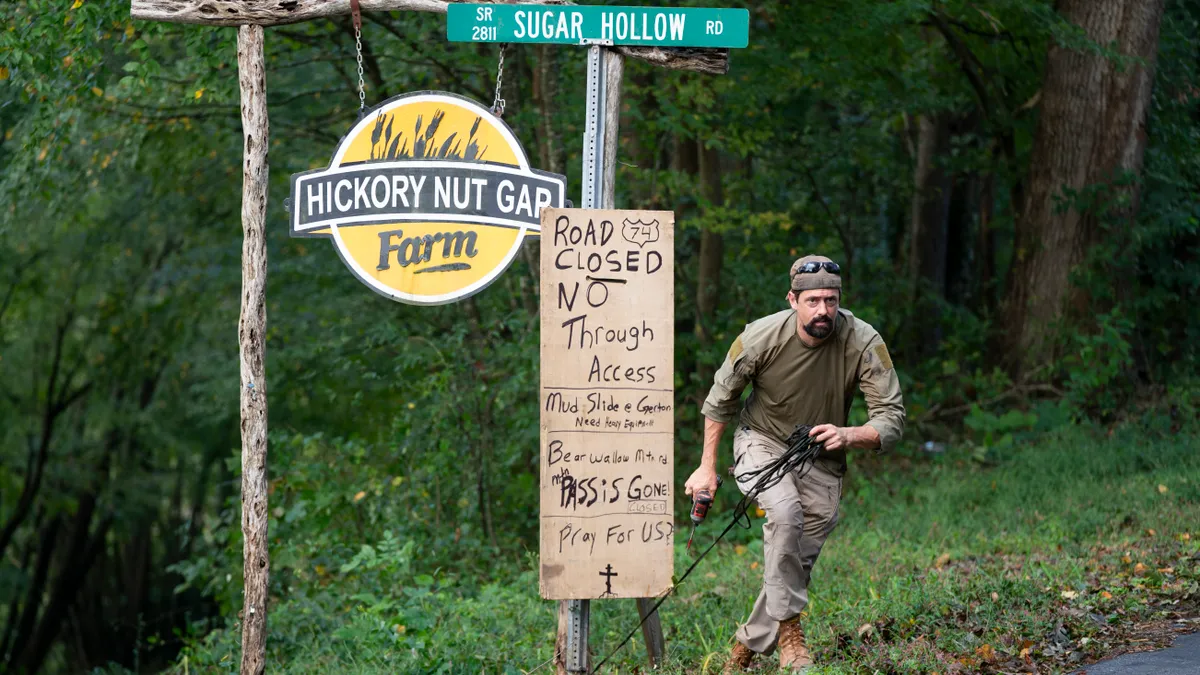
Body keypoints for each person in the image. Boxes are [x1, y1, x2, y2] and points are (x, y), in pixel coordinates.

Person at [684, 254, 906, 673]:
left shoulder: (862, 340)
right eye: (813, 300)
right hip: (760, 441)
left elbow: (892, 420)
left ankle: (742, 653)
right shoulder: (760, 337)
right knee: (785, 514)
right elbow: (720, 400)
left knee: (794, 558)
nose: (823, 310)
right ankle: (790, 632)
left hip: (821, 453)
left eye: (831, 300)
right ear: (793, 300)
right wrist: (706, 466)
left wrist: (848, 434)